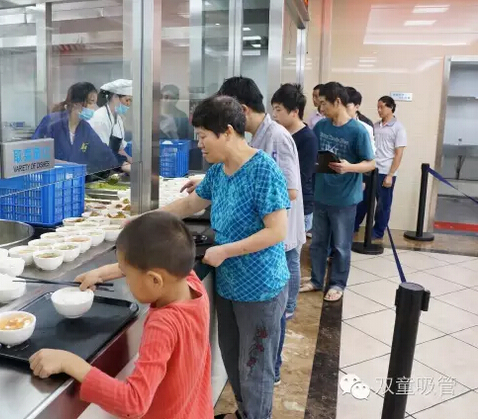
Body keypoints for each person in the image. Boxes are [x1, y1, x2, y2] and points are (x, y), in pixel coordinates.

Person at [164, 95, 290, 419]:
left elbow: (277, 231)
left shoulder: (263, 170)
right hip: (230, 284)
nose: (199, 144)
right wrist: (147, 220)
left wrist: (225, 250)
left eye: (203, 136)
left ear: (228, 132)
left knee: (255, 366)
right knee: (232, 357)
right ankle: (245, 412)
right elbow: (190, 204)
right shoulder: (219, 172)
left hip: (261, 288)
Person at [29, 212, 213, 419]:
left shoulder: (163, 325)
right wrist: (100, 274)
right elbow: (148, 264)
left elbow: (133, 403)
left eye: (127, 275)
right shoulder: (189, 281)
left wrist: (70, 363)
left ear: (154, 280)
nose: (125, 279)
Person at [299, 82, 375, 302]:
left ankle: (337, 284)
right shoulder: (321, 126)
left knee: (341, 246)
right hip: (321, 194)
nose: (321, 108)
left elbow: (370, 163)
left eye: (324, 103)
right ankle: (316, 279)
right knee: (318, 243)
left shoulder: (358, 131)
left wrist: (349, 167)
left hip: (345, 198)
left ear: (338, 102)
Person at [270, 83, 318, 306]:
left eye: (279, 109)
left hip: (300, 204)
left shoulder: (307, 138)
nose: (274, 114)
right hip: (282, 204)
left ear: (294, 111)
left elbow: (301, 177)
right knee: (282, 256)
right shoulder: (279, 133)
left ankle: (289, 306)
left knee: (292, 257)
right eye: (273, 109)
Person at [32, 82, 119, 174]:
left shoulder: (85, 128)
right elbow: (35, 154)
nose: (94, 108)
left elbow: (104, 153)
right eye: (91, 102)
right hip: (51, 178)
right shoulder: (52, 123)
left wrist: (121, 165)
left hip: (75, 179)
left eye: (95, 103)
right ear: (76, 103)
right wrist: (66, 165)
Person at [354, 96, 407, 239]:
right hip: (371, 169)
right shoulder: (375, 126)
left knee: (383, 204)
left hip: (385, 172)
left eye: (382, 107)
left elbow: (399, 154)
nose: (379, 110)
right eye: (377, 107)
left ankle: (378, 231)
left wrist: (390, 175)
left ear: (391, 108)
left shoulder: (399, 128)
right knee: (363, 200)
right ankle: (354, 226)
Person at [89, 79, 133, 170]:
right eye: (127, 100)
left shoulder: (118, 119)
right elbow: (102, 153)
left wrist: (132, 162)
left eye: (130, 101)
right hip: (97, 169)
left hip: (111, 166)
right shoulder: (100, 118)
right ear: (115, 97)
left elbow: (120, 150)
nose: (129, 104)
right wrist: (125, 166)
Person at [345, 87, 375, 154]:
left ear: (357, 107)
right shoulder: (332, 123)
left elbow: (370, 153)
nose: (343, 110)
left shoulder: (366, 126)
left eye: (346, 106)